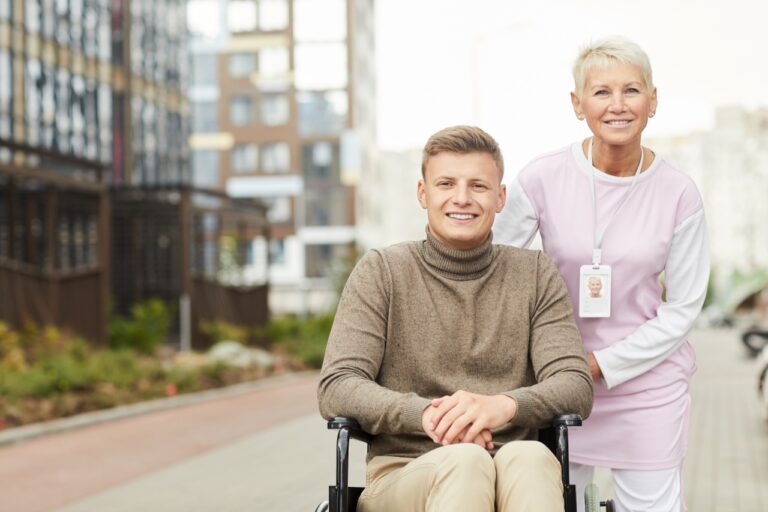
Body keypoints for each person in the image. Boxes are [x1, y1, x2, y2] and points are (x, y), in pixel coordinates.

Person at [318, 125, 594, 512]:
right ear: (423, 193)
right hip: (405, 472)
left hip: (512, 467)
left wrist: (501, 406)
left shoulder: (534, 274)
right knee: (466, 461)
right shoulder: (383, 272)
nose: (461, 199)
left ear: (500, 197)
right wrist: (428, 415)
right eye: (446, 183)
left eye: (478, 186)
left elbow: (575, 385)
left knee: (532, 457)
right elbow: (337, 386)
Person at [493, 36, 710, 511]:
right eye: (601, 92)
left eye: (632, 91)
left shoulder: (679, 193)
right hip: (556, 378)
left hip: (647, 382)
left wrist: (601, 365)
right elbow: (495, 269)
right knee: (555, 502)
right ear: (577, 104)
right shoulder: (542, 178)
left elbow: (683, 309)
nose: (618, 105)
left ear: (653, 101)